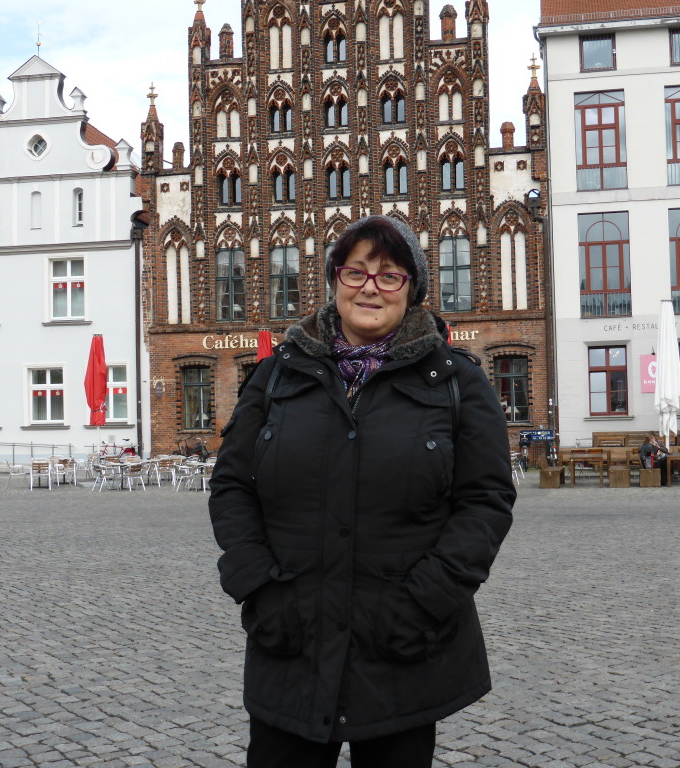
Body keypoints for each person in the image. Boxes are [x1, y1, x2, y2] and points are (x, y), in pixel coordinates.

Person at [208, 215, 516, 768]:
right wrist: (258, 586)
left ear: (412, 291)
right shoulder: (276, 376)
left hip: (402, 648)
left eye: (389, 275)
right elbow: (232, 485)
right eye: (355, 271)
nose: (369, 286)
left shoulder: (456, 382)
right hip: (292, 642)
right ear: (333, 280)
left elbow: (485, 501)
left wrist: (424, 602)